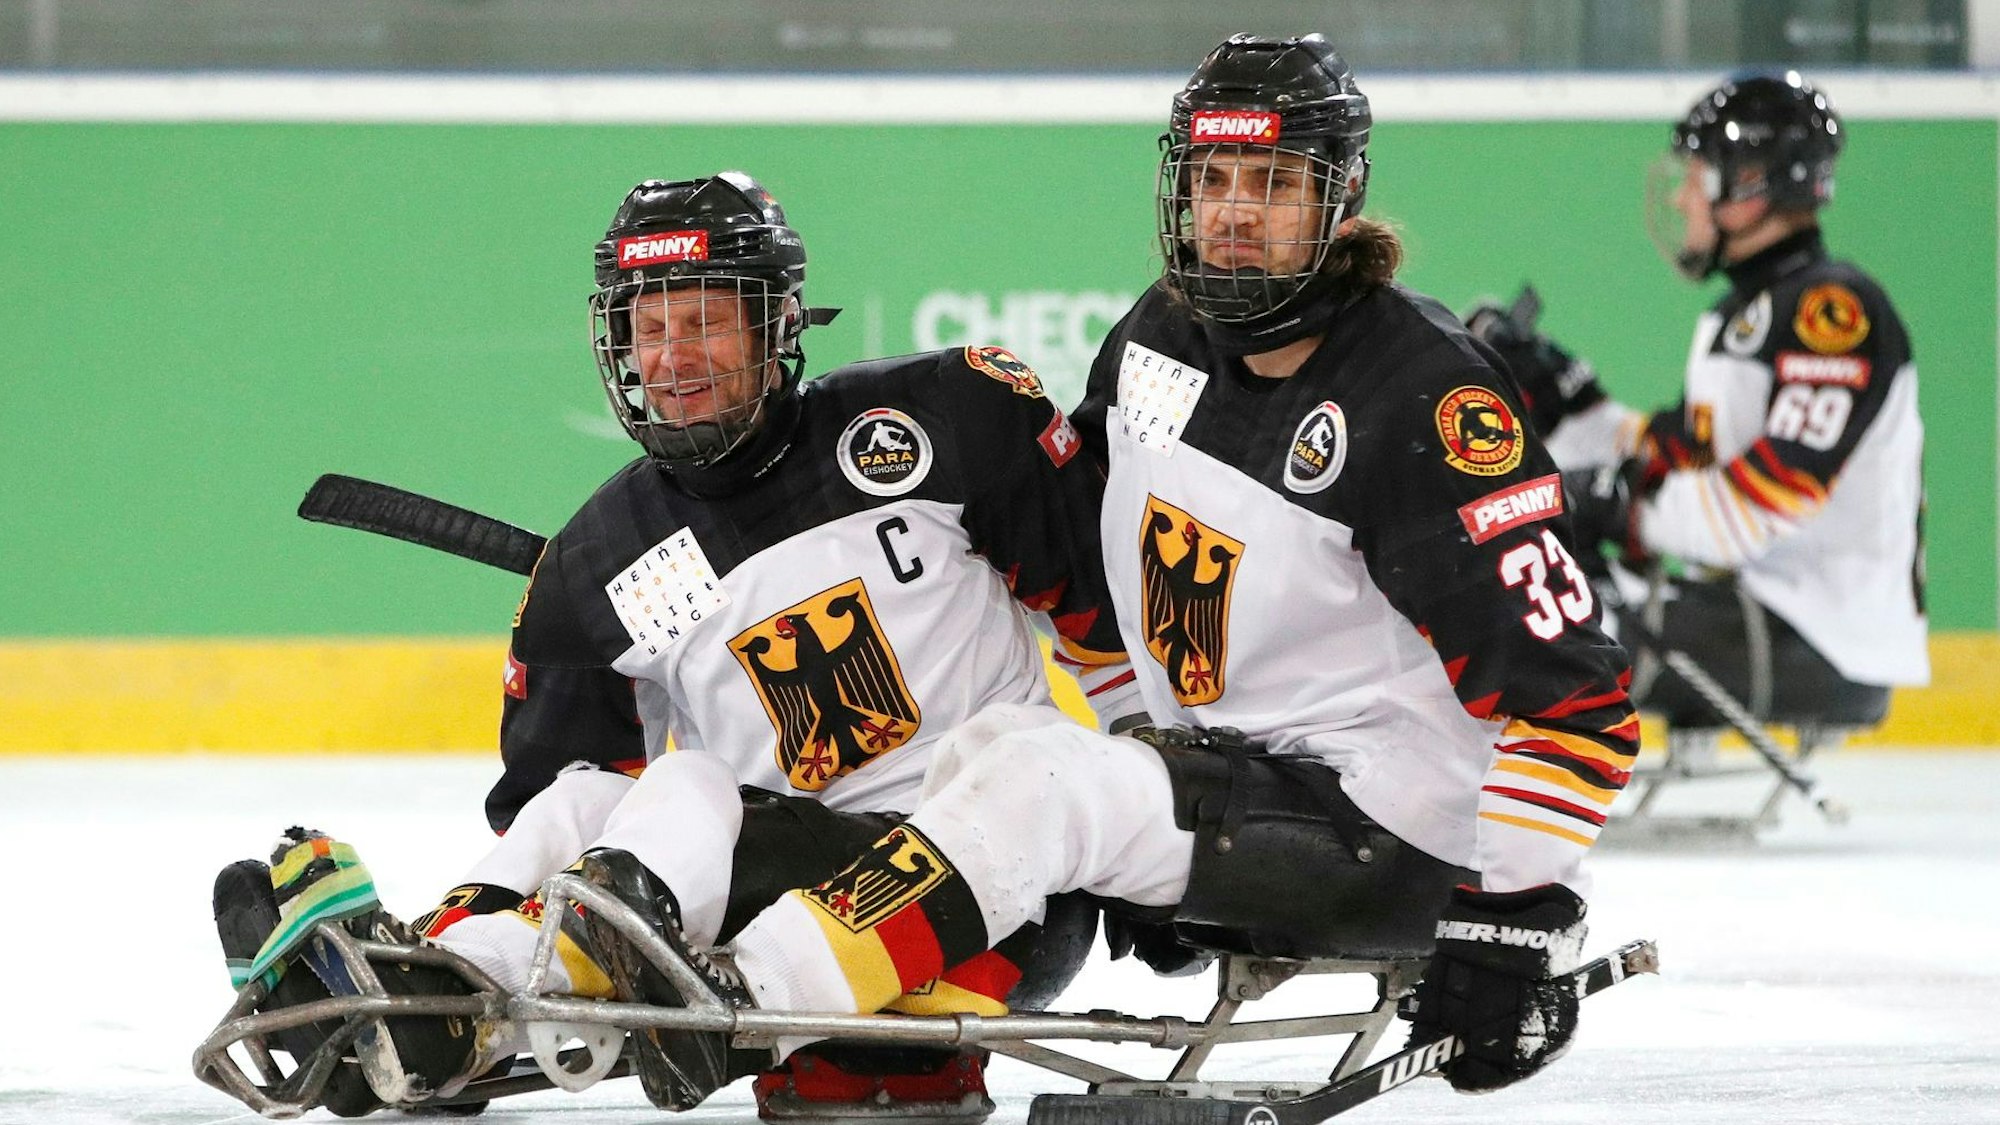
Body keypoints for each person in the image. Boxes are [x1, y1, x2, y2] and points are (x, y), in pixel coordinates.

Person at [414, 32, 1631, 1105]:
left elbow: (1575, 700)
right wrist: (1146, 790)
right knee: (1011, 761)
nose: (1234, 213)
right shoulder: (1156, 339)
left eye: (1271, 184)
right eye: (1211, 180)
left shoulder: (1422, 394)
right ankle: (467, 976)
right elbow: (1116, 608)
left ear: (1339, 199)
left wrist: (1512, 909)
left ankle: (744, 1001)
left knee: (1038, 782)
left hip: (1387, 822)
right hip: (1245, 785)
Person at [209, 171, 1139, 1120]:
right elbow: (558, 800)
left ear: (779, 325)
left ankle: (445, 1011)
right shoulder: (600, 561)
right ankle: (425, 991)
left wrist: (1151, 809)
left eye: (705, 321)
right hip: (787, 892)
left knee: (686, 787)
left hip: (993, 895)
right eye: (649, 329)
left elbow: (1108, 622)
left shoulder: (938, 418)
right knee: (588, 798)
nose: (673, 357)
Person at [1474, 70, 1927, 732]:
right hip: (1761, 613)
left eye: (1697, 176)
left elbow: (1753, 507)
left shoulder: (1834, 314)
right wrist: (1569, 405)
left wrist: (1618, 503)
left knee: (1527, 601)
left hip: (1824, 637)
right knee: (1525, 578)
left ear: (1750, 185)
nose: (1684, 197)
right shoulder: (1745, 315)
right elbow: (1681, 458)